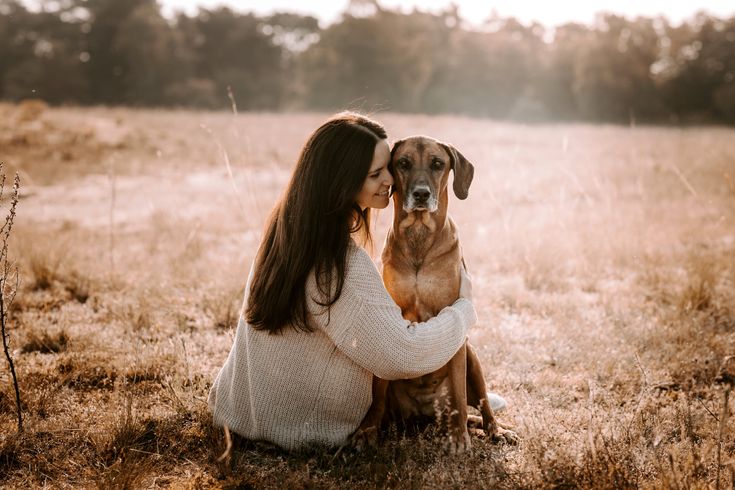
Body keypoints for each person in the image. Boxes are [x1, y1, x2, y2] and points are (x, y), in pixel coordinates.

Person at [208, 111, 505, 450]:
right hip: (307, 430)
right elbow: (402, 355)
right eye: (377, 173)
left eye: (388, 170)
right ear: (342, 181)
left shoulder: (283, 236)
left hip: (239, 414)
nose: (391, 182)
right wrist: (464, 309)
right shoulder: (342, 264)